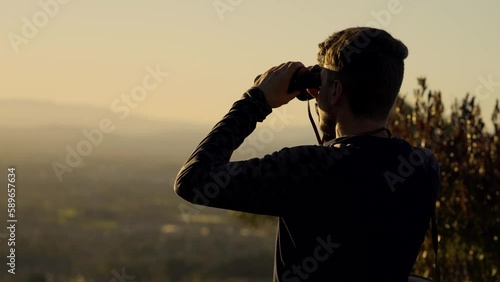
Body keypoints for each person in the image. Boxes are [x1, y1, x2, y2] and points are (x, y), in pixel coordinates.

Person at [174, 27, 440, 281]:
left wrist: (256, 100)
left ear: (336, 91)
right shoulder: (423, 166)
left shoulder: (308, 168)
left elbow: (194, 180)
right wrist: (330, 105)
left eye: (322, 84)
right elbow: (356, 167)